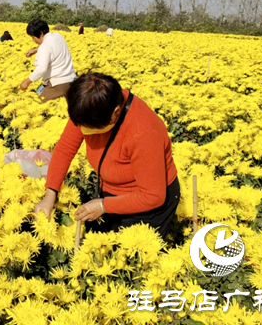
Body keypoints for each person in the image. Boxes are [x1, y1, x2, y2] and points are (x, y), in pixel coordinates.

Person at [34, 73, 180, 240]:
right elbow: (65, 148)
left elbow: (153, 196)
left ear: (116, 113)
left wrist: (104, 205)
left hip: (147, 204)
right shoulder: (89, 103)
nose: (82, 131)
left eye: (90, 128)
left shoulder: (143, 132)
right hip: (110, 193)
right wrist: (49, 195)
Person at [20, 19, 77, 102]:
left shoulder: (44, 47)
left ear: (40, 34)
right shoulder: (58, 36)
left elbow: (41, 68)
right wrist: (36, 49)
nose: (34, 41)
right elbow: (51, 45)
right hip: (72, 81)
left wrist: (27, 82)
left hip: (58, 85)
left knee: (37, 107)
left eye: (33, 38)